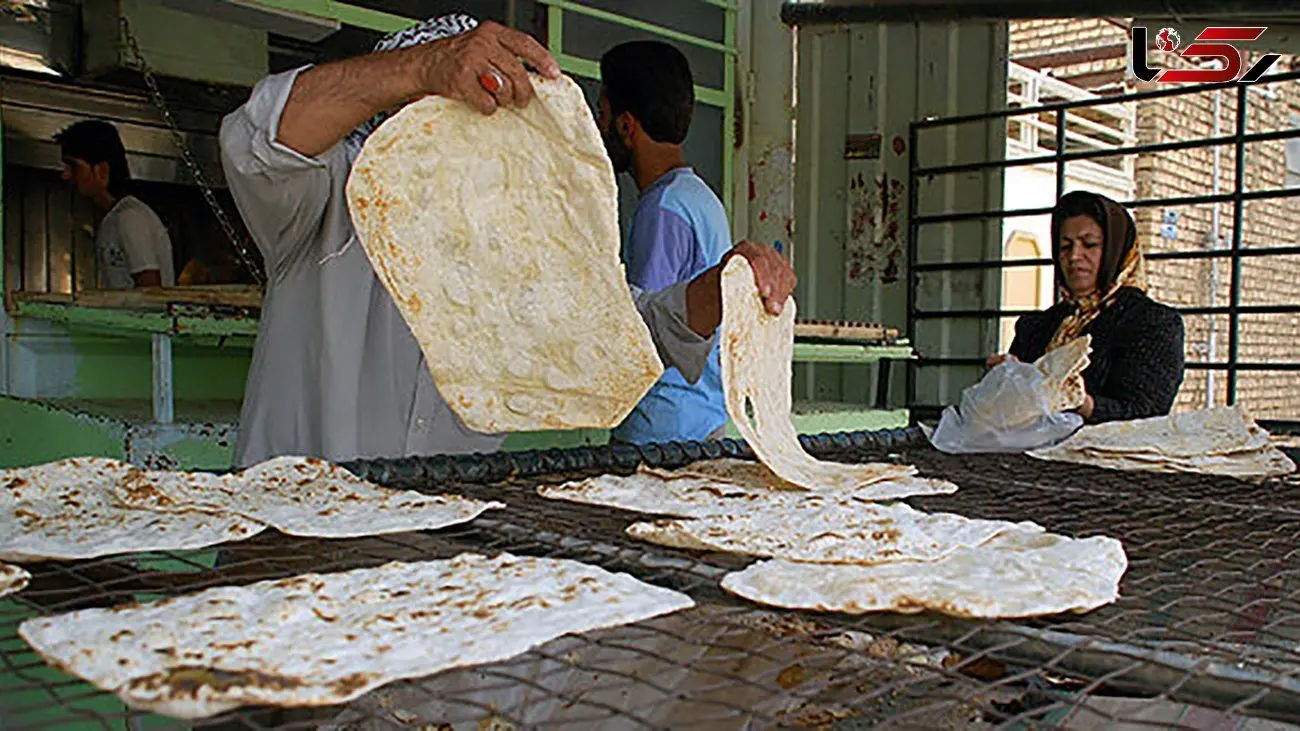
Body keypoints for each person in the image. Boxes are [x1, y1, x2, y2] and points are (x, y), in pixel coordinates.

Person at [218, 15, 796, 469]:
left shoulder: (519, 243)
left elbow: (624, 326)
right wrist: (423, 67)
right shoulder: (327, 196)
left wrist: (725, 285)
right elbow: (258, 138)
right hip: (291, 540)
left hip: (429, 560)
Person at [598, 41, 731, 445]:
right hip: (702, 419)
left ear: (626, 126)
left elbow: (645, 336)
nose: (596, 128)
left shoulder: (663, 208)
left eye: (601, 113)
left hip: (663, 431)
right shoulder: (700, 197)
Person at [987, 190, 1185, 423]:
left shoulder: (1151, 323)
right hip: (1029, 455)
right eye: (1065, 246)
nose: (1074, 256)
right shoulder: (1036, 326)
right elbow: (1009, 415)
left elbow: (1143, 413)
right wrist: (1007, 381)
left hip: (1102, 457)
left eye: (1089, 245)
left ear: (1116, 251)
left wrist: (1077, 400)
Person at [55, 120, 175, 289]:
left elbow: (152, 293)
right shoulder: (115, 217)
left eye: (73, 166)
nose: (66, 175)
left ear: (102, 170)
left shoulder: (130, 218)